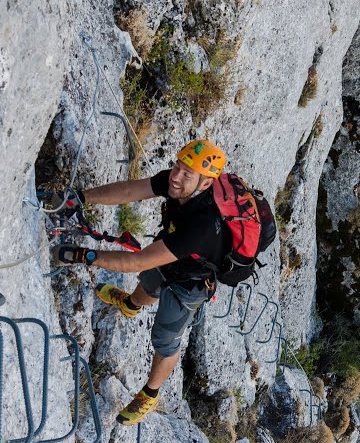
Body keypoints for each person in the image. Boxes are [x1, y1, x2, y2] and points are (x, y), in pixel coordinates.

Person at [50, 139, 227, 425]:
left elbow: (138, 260)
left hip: (191, 284)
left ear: (205, 185)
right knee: (149, 281)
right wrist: (81, 197)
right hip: (171, 253)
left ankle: (150, 393)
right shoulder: (176, 183)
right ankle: (130, 304)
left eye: (186, 174)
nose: (176, 177)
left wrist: (85, 255)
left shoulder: (203, 225)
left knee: (164, 339)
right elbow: (132, 190)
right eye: (177, 166)